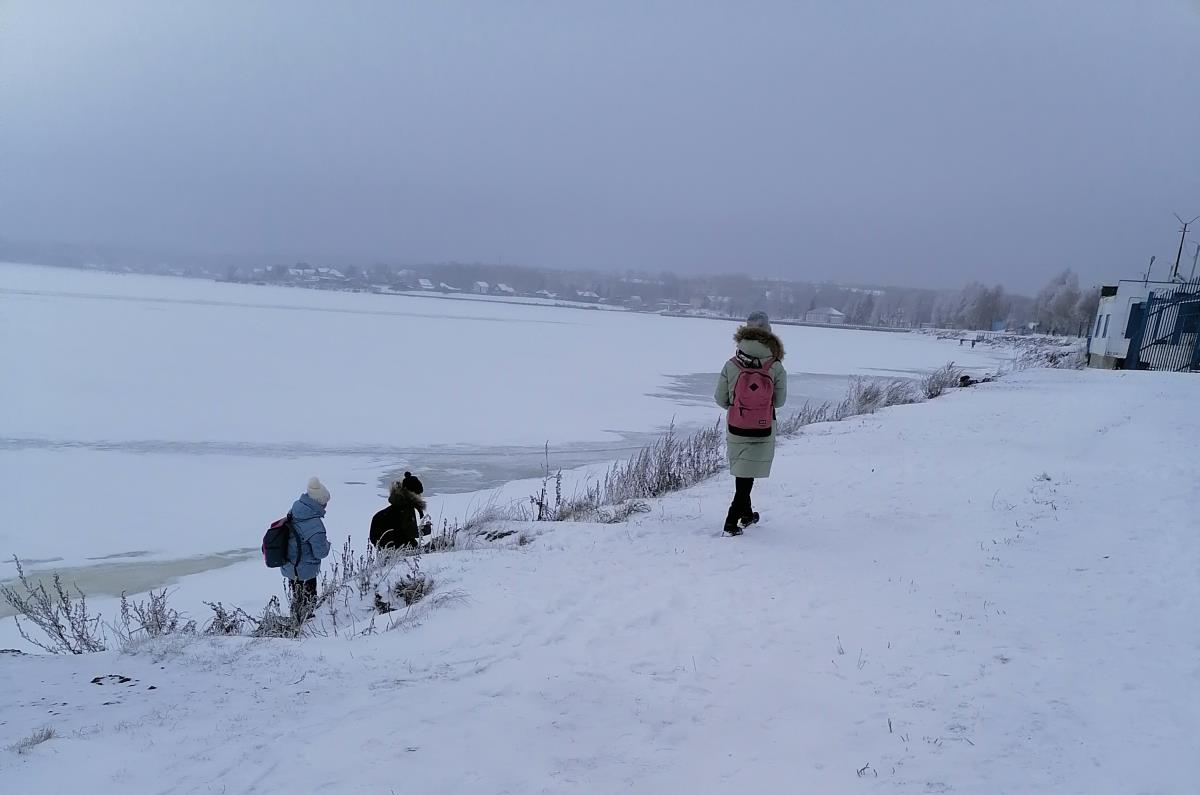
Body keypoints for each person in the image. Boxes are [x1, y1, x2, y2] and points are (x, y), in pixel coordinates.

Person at [714, 311, 787, 535]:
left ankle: (746, 515)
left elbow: (720, 398)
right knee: (747, 476)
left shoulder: (732, 363)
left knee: (743, 474)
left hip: (737, 426)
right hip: (763, 427)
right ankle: (730, 522)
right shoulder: (775, 366)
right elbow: (780, 401)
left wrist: (740, 410)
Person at [282, 476, 332, 621]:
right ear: (319, 503)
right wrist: (327, 544)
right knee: (309, 600)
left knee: (296, 597)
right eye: (325, 503)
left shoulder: (295, 510)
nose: (326, 506)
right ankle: (306, 625)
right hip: (306, 569)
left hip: (290, 564)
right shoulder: (315, 525)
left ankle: (295, 621)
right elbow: (321, 552)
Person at [369, 472, 430, 551]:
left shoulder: (397, 506)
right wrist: (426, 529)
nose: (421, 496)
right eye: (419, 494)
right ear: (414, 494)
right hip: (397, 547)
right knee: (418, 545)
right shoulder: (406, 508)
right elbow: (411, 532)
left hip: (384, 545)